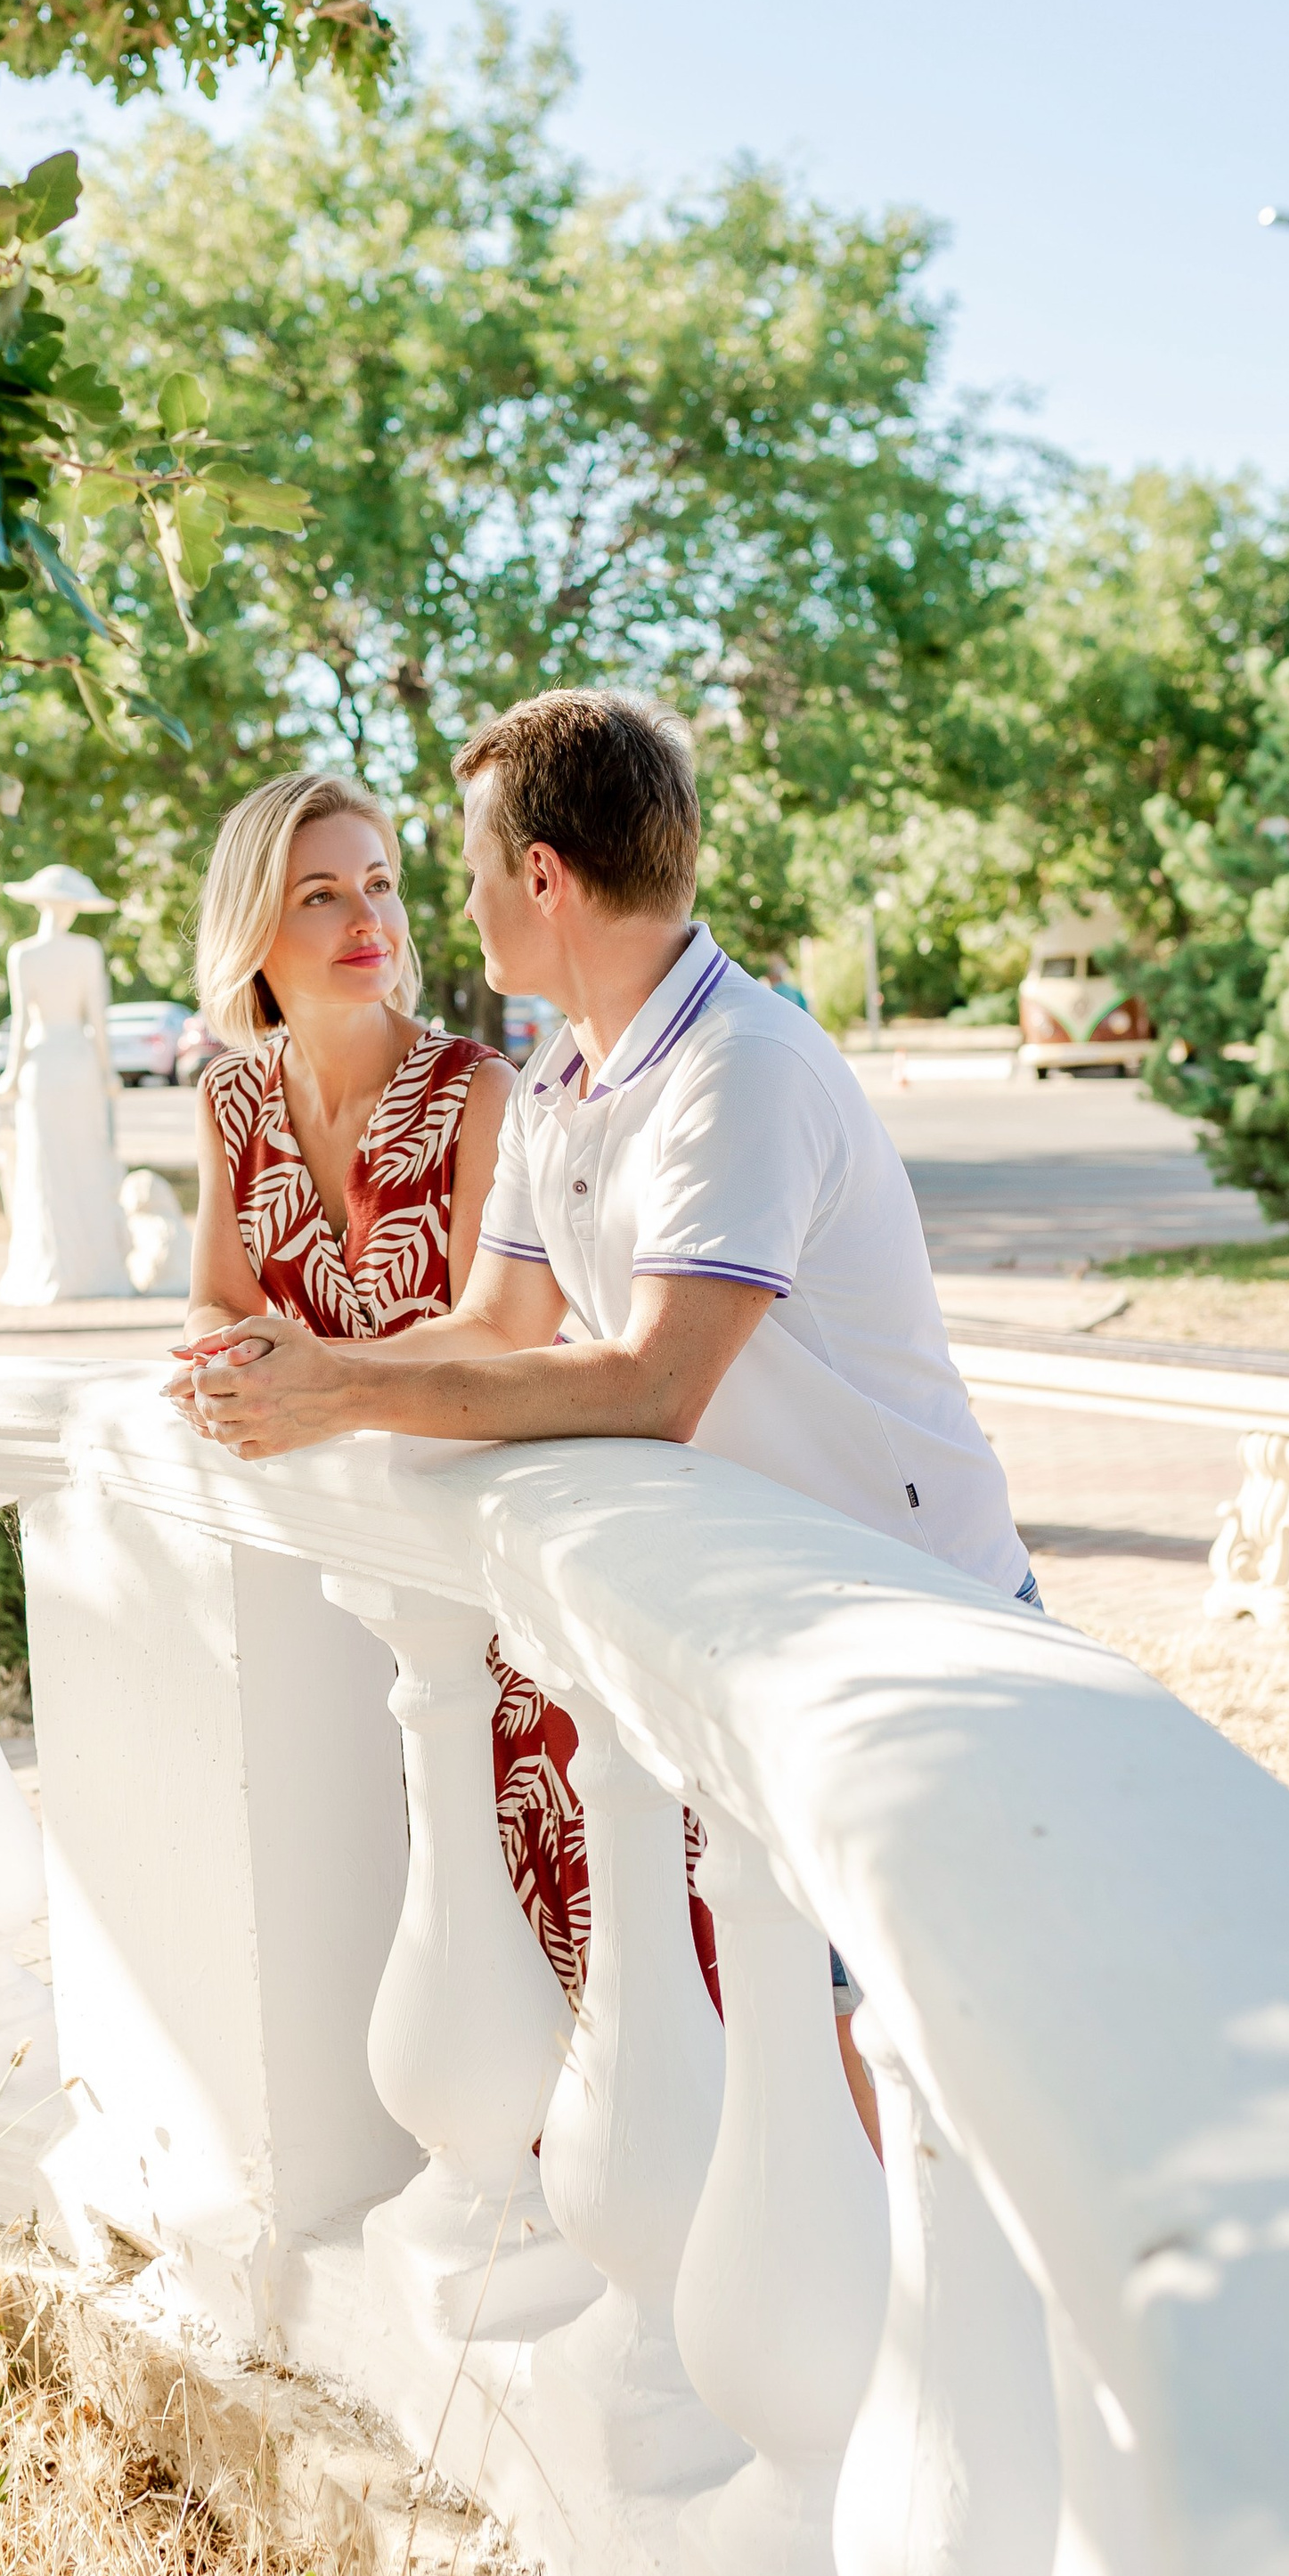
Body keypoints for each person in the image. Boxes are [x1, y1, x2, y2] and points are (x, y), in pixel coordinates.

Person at [176, 693, 1039, 2148]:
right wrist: (300, 1377)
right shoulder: (574, 1080)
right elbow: (497, 1327)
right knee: (811, 2078)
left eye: (449, 868)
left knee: (947, 2098)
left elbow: (650, 1379)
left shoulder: (741, 1071)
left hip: (912, 1635)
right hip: (757, 1635)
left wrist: (350, 1384)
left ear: (542, 879)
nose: (439, 903)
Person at [183, 768, 716, 2007]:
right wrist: (235, 1364)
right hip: (333, 1569)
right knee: (394, 1920)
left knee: (575, 1899)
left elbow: (498, 1333)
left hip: (483, 1547)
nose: (367, 920)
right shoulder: (229, 1100)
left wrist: (319, 1378)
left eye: (379, 884)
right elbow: (215, 1296)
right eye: (321, 895)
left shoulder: (477, 1091)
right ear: (255, 928)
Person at [0, 863, 132, 1306]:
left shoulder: (24, 955)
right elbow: (97, 1020)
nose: (71, 913)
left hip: (45, 1064)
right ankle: (87, 1268)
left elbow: (21, 1025)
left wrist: (11, 1075)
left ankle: (65, 1266)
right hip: (77, 1063)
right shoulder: (84, 952)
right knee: (77, 1159)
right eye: (69, 906)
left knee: (51, 1163)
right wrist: (108, 1072)